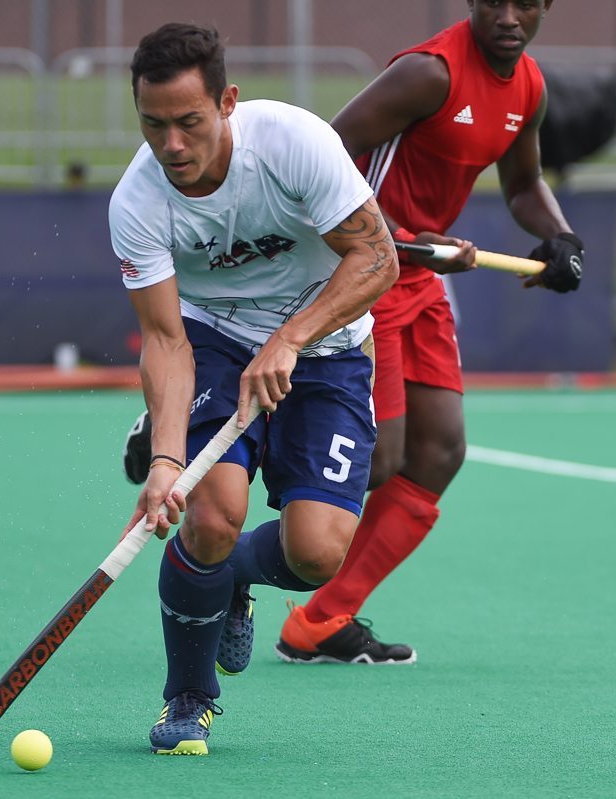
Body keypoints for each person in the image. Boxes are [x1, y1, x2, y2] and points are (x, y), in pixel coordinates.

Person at [111, 23, 397, 755]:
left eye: (189, 122)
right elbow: (166, 338)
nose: (171, 145)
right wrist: (169, 461)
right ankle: (189, 696)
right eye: (152, 124)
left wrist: (292, 337)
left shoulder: (293, 143)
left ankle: (228, 573)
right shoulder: (137, 201)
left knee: (317, 553)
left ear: (227, 102)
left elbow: (377, 259)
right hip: (213, 338)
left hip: (327, 346)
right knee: (209, 515)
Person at [272, 0, 583, 665]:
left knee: (440, 450)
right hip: (364, 268)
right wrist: (403, 242)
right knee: (378, 459)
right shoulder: (429, 75)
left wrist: (559, 237)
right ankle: (236, 489)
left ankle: (323, 619)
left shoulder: (527, 84)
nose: (508, 15)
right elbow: (321, 158)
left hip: (422, 276)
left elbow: (523, 182)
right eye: (493, 1)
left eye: (525, 2)